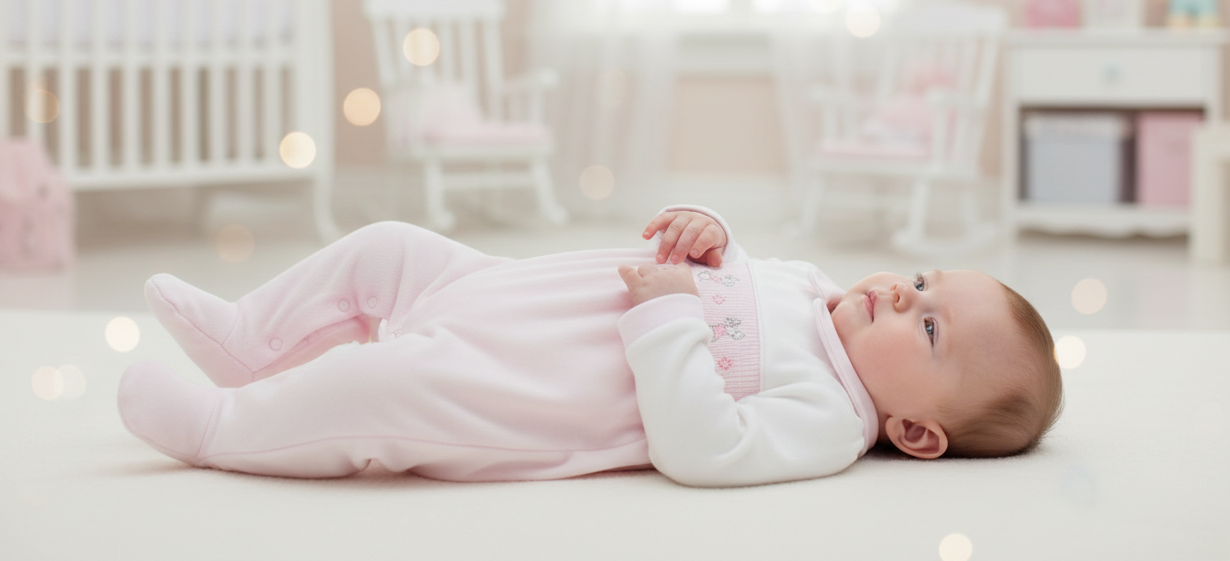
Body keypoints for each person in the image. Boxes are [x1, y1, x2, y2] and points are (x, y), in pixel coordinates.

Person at [117, 206, 1064, 487]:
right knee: (392, 247)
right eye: (927, 281)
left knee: (381, 385)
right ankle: (253, 341)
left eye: (927, 326)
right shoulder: (812, 287)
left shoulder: (830, 418)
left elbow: (707, 451)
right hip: (503, 290)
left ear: (918, 432)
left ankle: (224, 429)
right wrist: (710, 235)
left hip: (516, 385)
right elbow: (739, 263)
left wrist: (670, 317)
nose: (903, 291)